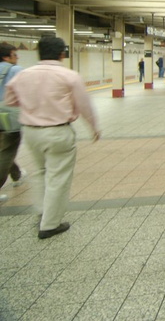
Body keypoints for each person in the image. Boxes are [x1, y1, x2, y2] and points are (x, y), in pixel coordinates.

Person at [4, 36, 101, 239]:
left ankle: (42, 211)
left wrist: (33, 105)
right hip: (58, 131)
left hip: (30, 131)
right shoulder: (69, 76)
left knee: (39, 172)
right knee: (58, 176)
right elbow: (84, 105)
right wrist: (94, 127)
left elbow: (10, 100)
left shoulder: (23, 74)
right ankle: (50, 224)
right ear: (62, 54)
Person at [0, 43, 25, 203]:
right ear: (6, 57)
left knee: (5, 149)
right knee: (8, 149)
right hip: (8, 115)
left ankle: (16, 174)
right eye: (15, 55)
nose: (17, 58)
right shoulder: (15, 70)